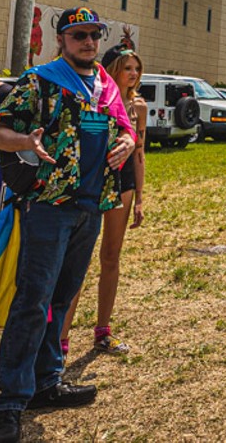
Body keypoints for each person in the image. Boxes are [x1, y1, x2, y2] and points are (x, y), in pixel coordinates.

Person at [0, 8, 135, 443]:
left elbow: (124, 130)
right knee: (33, 301)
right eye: (79, 35)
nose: (88, 42)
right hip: (49, 205)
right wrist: (25, 141)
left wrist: (126, 141)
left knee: (62, 299)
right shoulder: (40, 80)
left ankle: (47, 383)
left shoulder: (105, 85)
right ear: (63, 40)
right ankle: (10, 403)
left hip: (91, 205)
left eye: (94, 35)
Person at [61, 46, 146, 356]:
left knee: (111, 256)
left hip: (122, 186)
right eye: (128, 68)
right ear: (114, 69)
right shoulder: (97, 100)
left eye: (137, 68)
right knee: (77, 263)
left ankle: (103, 331)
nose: (134, 74)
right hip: (93, 184)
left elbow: (139, 154)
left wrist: (139, 196)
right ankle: (61, 337)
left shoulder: (140, 107)